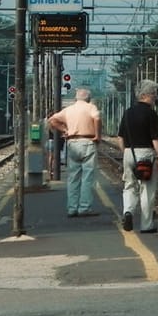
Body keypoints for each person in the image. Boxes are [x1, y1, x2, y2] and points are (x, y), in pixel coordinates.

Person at [116, 78, 158, 233]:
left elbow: (119, 138)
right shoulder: (150, 114)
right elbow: (155, 139)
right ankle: (146, 225)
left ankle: (128, 212)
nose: (156, 97)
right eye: (154, 94)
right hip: (146, 154)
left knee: (129, 186)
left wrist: (125, 152)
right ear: (146, 95)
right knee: (147, 189)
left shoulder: (128, 112)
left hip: (128, 152)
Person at [46, 86, 102, 217]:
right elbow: (97, 118)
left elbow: (52, 120)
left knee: (73, 177)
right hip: (88, 142)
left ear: (76, 98)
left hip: (72, 143)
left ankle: (72, 208)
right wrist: (98, 135)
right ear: (88, 98)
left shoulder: (68, 110)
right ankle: (84, 208)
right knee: (87, 177)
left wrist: (64, 130)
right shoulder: (91, 107)